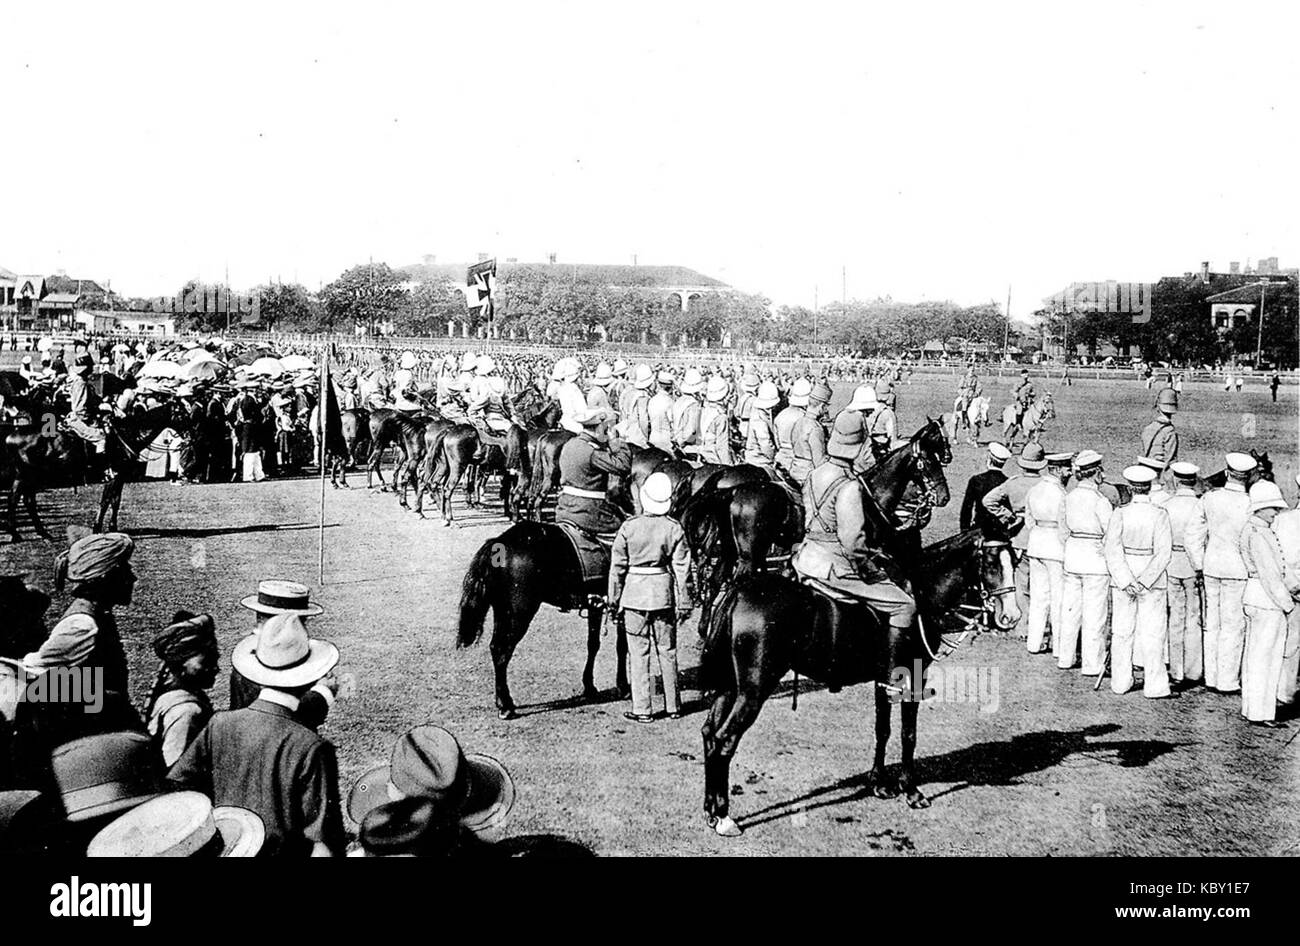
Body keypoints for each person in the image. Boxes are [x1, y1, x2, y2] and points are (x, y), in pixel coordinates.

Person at [168, 612, 346, 856]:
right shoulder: (311, 747)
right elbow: (323, 843)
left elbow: (179, 785)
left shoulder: (219, 724)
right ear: (309, 677)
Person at [791, 412, 916, 692]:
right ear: (859, 447)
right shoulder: (849, 486)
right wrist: (872, 567)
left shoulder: (816, 472)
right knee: (905, 605)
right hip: (835, 567)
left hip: (806, 558)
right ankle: (895, 681)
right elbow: (853, 543)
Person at [23, 533, 142, 744]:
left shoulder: (99, 615)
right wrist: (104, 699)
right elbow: (33, 677)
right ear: (106, 577)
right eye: (126, 570)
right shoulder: (82, 624)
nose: (133, 578)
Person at [607, 472, 692, 723]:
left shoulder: (628, 528)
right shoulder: (674, 528)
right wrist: (685, 600)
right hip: (663, 595)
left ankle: (642, 709)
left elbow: (617, 569)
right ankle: (673, 705)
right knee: (667, 651)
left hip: (634, 595)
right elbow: (682, 569)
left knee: (638, 653)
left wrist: (613, 600)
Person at [1186, 453, 1256, 694]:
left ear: (1226, 473)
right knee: (1233, 625)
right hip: (1238, 569)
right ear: (1247, 478)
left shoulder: (1210, 498)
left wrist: (1198, 564)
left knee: (1212, 623)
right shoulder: (1250, 504)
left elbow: (1192, 534)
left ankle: (1212, 677)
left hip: (1211, 566)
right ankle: (1227, 679)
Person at [1103, 465, 1173, 698]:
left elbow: (1111, 550)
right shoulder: (1159, 514)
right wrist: (1143, 581)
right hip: (1151, 579)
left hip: (1124, 577)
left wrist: (1125, 580)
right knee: (1153, 632)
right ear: (1150, 488)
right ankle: (1155, 686)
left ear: (1131, 489)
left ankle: (1121, 682)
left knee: (1122, 631)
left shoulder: (1120, 513)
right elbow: (1164, 553)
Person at [229, 580, 334, 729]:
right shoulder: (261, 663)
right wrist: (322, 692)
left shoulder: (249, 655)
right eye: (299, 621)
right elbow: (284, 717)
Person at [1238, 481, 1297, 726]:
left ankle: (1252, 708)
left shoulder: (1255, 529)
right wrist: (1289, 603)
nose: (1276, 512)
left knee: (1255, 656)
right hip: (1267, 601)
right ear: (1260, 508)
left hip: (1255, 597)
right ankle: (1261, 713)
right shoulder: (1259, 535)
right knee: (1267, 658)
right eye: (1272, 508)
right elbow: (1271, 574)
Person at [983, 443, 1047, 639]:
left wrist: (1009, 516)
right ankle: (1044, 627)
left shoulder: (1013, 482)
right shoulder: (1047, 484)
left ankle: (1024, 627)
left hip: (1020, 538)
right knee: (1044, 587)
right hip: (1044, 536)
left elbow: (988, 501)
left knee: (1022, 586)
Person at [1061, 450, 1113, 676]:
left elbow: (1062, 530)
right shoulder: (1100, 500)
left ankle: (1065, 657)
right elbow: (1111, 534)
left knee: (1070, 610)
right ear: (1097, 472)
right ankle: (1093, 664)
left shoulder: (1069, 497)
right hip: (1095, 561)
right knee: (1094, 614)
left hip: (1073, 557)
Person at [145, 612, 220, 768]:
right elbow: (177, 772)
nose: (215, 668)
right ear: (180, 663)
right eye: (206, 662)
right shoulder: (186, 712)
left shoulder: (171, 694)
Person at [1023, 451, 1070, 657]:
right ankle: (1059, 647)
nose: (1070, 472)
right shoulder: (1061, 495)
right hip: (1055, 548)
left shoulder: (1035, 490)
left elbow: (1028, 520)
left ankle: (1034, 642)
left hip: (1036, 545)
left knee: (1038, 597)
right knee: (1058, 599)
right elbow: (1065, 526)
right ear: (1058, 470)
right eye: (1067, 468)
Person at [555, 411, 632, 535]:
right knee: (625, 530)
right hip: (589, 512)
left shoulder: (569, 444)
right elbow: (623, 465)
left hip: (565, 507)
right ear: (599, 428)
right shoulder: (592, 451)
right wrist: (615, 440)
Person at [1163, 462, 1204, 687]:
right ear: (1194, 481)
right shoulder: (1199, 505)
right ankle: (1193, 670)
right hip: (1193, 564)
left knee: (1175, 617)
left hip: (1171, 561)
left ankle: (1176, 668)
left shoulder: (1167, 505)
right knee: (1194, 617)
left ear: (1177, 481)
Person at [960, 442, 1011, 531]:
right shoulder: (1008, 482)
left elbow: (966, 509)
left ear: (989, 459)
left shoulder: (976, 480)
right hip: (1001, 529)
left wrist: (965, 530)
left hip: (979, 528)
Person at [789, 381, 831, 485]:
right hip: (808, 475)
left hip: (794, 469)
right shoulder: (816, 428)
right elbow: (819, 462)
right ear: (822, 406)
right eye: (826, 407)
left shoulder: (799, 422)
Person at [65, 354, 108, 456]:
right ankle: (99, 467)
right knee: (102, 438)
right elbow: (80, 409)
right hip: (79, 420)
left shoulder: (78, 381)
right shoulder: (82, 384)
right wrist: (93, 419)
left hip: (76, 417)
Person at [774, 378, 812, 479]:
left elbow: (776, 442)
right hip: (798, 463)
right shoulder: (805, 419)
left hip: (780, 459)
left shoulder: (780, 415)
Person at [743, 380, 780, 472]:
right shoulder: (758, 418)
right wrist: (775, 457)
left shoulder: (760, 412)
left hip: (757, 457)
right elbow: (765, 443)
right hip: (759, 460)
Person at [698, 376, 733, 465]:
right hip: (714, 459)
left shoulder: (704, 410)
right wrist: (728, 466)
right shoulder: (721, 417)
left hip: (703, 455)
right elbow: (722, 447)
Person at [1140, 388, 1180, 466]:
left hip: (1147, 467)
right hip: (1161, 471)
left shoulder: (1148, 428)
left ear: (1158, 407)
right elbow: (1170, 459)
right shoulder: (1170, 431)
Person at [616, 364, 652, 448]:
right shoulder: (642, 395)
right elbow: (643, 419)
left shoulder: (627, 391)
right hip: (637, 433)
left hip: (625, 431)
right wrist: (646, 437)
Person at [672, 369, 704, 459]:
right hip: (688, 445)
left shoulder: (678, 401)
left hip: (676, 440)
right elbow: (692, 430)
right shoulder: (693, 404)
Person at [554, 358, 588, 435]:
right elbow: (582, 409)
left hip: (565, 421)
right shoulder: (574, 389)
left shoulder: (562, 387)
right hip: (575, 423)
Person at [647, 370, 677, 454]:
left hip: (653, 437)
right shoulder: (670, 402)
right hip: (665, 441)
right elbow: (672, 423)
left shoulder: (652, 400)